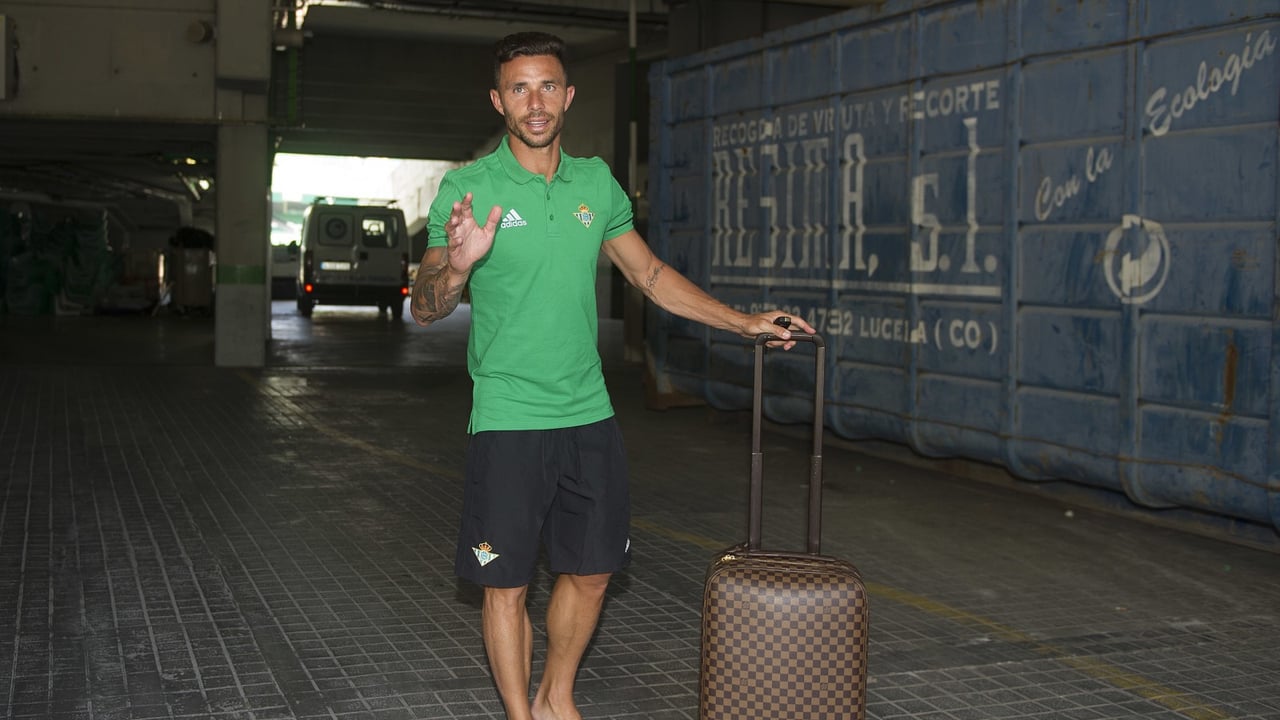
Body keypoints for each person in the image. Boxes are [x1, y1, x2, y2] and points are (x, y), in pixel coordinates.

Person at [409, 31, 816, 720]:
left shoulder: (596, 182)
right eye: (518, 89)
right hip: (508, 416)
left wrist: (743, 322)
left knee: (594, 571)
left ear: (568, 95)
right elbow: (425, 307)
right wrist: (458, 265)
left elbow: (649, 274)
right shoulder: (468, 188)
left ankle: (555, 696)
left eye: (547, 86)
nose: (535, 103)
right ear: (498, 101)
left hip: (588, 413)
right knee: (505, 583)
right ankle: (520, 715)